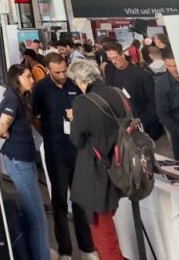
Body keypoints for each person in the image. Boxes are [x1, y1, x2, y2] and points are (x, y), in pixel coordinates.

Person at [32, 53, 95, 260]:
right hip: (55, 151)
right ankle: (65, 250)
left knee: (80, 200)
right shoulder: (41, 89)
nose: (61, 75)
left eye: (63, 71)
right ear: (48, 70)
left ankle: (87, 247)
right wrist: (49, 134)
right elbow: (35, 116)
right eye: (57, 72)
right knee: (59, 201)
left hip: (77, 150)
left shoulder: (74, 84)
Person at [68, 59, 125, 260]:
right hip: (121, 170)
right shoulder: (118, 94)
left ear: (81, 80)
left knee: (103, 235)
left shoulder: (83, 102)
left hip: (96, 175)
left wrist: (74, 118)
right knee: (109, 228)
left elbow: (77, 139)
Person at [0, 65, 51, 260]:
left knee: (32, 215)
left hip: (25, 158)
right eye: (28, 76)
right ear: (16, 78)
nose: (32, 79)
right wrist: (7, 132)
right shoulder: (12, 99)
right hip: (19, 161)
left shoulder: (20, 98)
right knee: (37, 217)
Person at [101, 41, 163, 140]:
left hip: (142, 122)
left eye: (115, 57)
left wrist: (142, 119)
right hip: (121, 122)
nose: (113, 61)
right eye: (110, 58)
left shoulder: (141, 74)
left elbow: (153, 102)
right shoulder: (110, 69)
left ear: (123, 54)